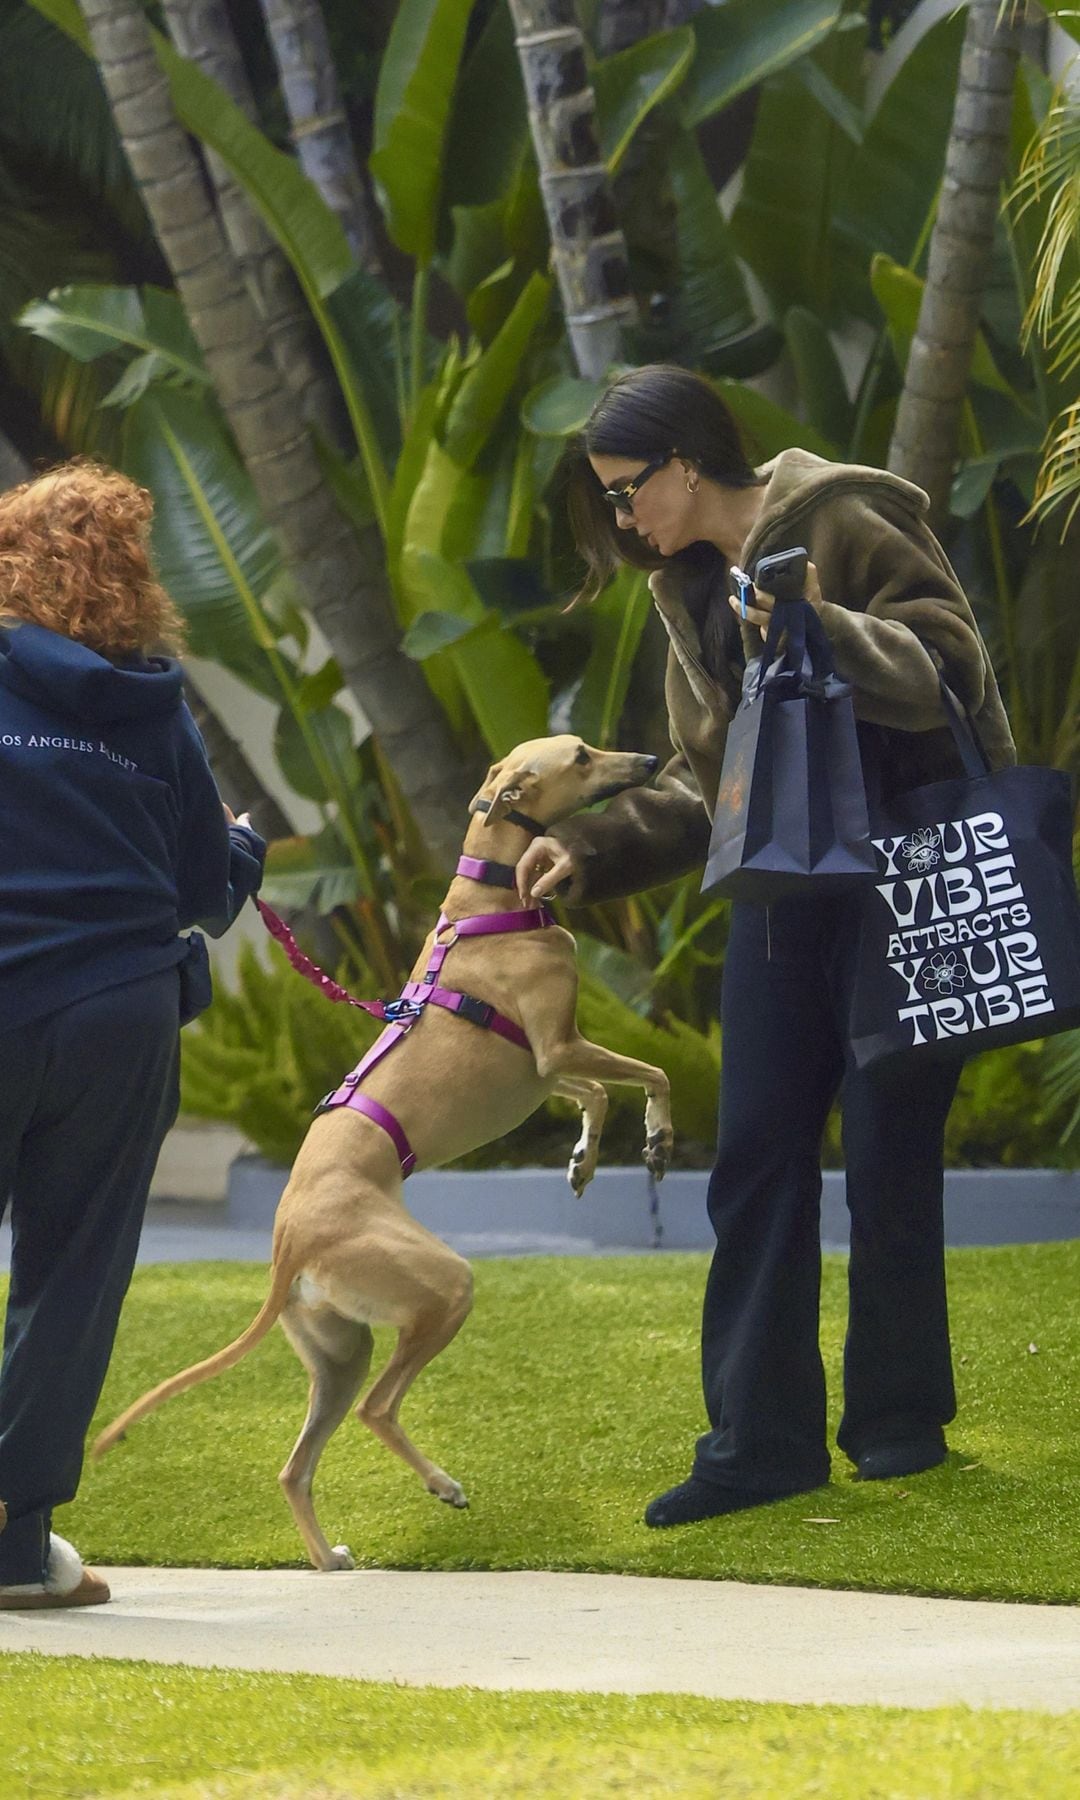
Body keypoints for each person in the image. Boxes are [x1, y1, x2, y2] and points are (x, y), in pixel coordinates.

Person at [516, 365, 1016, 1528]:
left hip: (907, 878)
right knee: (754, 1156)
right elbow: (713, 786)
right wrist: (588, 849)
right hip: (784, 898)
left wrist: (814, 627)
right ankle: (758, 1444)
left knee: (890, 1156)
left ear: (688, 463)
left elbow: (951, 675)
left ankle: (900, 1423)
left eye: (629, 490)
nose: (624, 518)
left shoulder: (846, 516)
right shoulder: (685, 589)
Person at [0, 459, 266, 1607]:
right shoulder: (155, 709)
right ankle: (14, 1549)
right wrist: (244, 846)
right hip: (119, 1015)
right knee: (71, 1278)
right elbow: (204, 891)